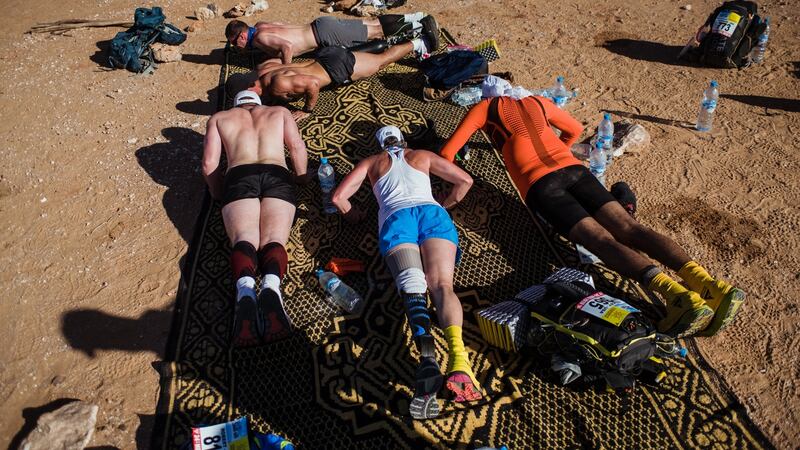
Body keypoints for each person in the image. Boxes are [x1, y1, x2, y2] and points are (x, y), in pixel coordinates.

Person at [439, 93, 745, 339]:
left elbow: (448, 152)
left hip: (541, 185)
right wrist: (561, 150)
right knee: (629, 226)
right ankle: (709, 286)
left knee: (597, 239)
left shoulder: (484, 108)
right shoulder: (537, 101)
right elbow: (572, 128)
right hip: (574, 170)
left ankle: (676, 296)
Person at [332, 126, 482, 420]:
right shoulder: (421, 155)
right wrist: (444, 204)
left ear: (379, 145)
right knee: (442, 285)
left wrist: (354, 214)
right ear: (404, 141)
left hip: (397, 218)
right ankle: (459, 359)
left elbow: (338, 197)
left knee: (413, 286)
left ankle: (427, 356)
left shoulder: (371, 163)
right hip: (431, 213)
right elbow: (465, 180)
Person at [202, 90, 309, 347]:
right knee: (274, 239)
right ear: (259, 103)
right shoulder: (280, 112)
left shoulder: (219, 118)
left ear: (235, 104)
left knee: (244, 238)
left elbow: (209, 164)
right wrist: (302, 179)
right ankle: (271, 287)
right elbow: (296, 147)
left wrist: (218, 193)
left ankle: (246, 290)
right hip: (276, 174)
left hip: (239, 175)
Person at [234, 25, 439, 115]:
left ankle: (420, 42)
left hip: (335, 68)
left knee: (381, 62)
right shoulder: (264, 70)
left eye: (250, 95)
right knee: (371, 55)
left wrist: (307, 110)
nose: (254, 101)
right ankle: (404, 38)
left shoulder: (277, 86)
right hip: (326, 56)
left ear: (252, 85)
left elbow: (312, 85)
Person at [225, 14, 435, 63]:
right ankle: (416, 17)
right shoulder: (260, 26)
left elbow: (287, 46)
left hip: (323, 35)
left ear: (243, 35)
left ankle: (420, 25)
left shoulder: (260, 38)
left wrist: (285, 68)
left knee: (376, 33)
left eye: (236, 42)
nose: (236, 46)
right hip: (320, 24)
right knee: (372, 23)